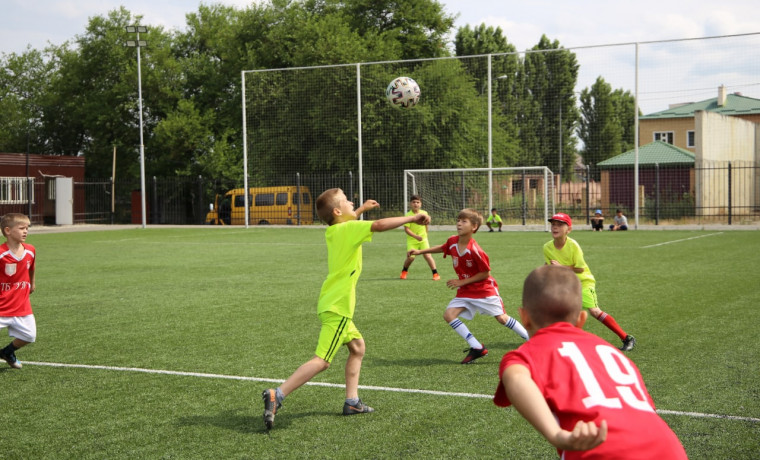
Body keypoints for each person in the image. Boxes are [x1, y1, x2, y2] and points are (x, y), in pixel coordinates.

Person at [262, 188, 430, 429]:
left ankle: (352, 402)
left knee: (358, 347)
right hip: (339, 306)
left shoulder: (334, 230)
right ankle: (277, 394)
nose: (353, 202)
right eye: (348, 202)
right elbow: (380, 225)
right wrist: (413, 218)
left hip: (330, 302)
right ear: (338, 211)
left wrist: (360, 209)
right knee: (322, 360)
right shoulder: (349, 229)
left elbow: (348, 219)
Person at [493, 265, 688, 459]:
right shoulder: (613, 353)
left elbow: (516, 378)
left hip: (603, 451)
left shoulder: (527, 353)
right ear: (581, 319)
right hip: (668, 448)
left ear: (524, 317)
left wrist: (556, 435)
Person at [408, 208, 528, 364]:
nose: (459, 223)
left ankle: (531, 339)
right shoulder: (452, 241)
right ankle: (477, 347)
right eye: (458, 220)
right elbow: (443, 248)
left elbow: (485, 273)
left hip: (484, 290)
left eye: (464, 221)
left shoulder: (475, 251)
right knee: (449, 315)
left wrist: (461, 282)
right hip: (466, 291)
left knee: (502, 318)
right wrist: (419, 251)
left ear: (474, 227)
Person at [544, 213, 636, 351]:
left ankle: (626, 338)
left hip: (583, 281)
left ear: (569, 229)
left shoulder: (573, 245)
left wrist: (560, 267)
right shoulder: (547, 247)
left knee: (594, 311)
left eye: (560, 225)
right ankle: (557, 342)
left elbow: (580, 269)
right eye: (553, 225)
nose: (555, 227)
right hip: (567, 284)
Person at [0, 213, 37, 369]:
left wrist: (32, 283)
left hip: (22, 306)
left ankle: (7, 352)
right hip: (2, 306)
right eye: (21, 228)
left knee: (29, 336)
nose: (25, 231)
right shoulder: (1, 253)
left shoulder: (30, 250)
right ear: (8, 231)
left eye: (27, 228)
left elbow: (31, 268)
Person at [399, 195, 440, 281]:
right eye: (414, 202)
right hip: (412, 240)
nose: (416, 204)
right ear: (410, 204)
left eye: (418, 202)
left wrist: (425, 235)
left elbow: (426, 225)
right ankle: (404, 271)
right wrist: (416, 236)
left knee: (428, 255)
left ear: (420, 204)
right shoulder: (408, 215)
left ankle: (435, 274)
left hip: (423, 239)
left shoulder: (424, 213)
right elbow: (406, 229)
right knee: (411, 257)